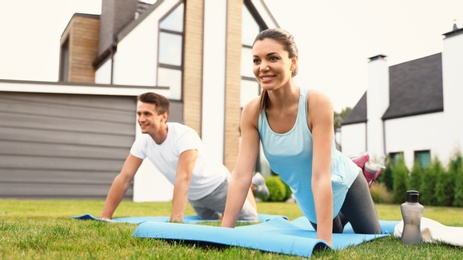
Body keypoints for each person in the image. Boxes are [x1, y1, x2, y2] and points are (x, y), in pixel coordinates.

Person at [221, 28, 383, 246]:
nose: (263, 67)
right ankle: (357, 176)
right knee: (335, 229)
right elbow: (241, 176)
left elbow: (321, 177)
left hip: (342, 182)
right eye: (256, 60)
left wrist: (323, 243)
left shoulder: (316, 103)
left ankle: (361, 173)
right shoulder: (252, 112)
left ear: (293, 62)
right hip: (307, 196)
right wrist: (223, 235)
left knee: (371, 237)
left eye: (273, 58)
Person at [100, 92, 267, 222]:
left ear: (163, 117)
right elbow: (124, 178)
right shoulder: (142, 143)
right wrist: (105, 217)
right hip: (195, 196)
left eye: (147, 114)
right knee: (213, 222)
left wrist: (175, 222)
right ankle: (252, 183)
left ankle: (249, 183)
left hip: (217, 186)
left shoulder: (184, 135)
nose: (141, 119)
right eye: (139, 114)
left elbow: (184, 177)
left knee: (249, 220)